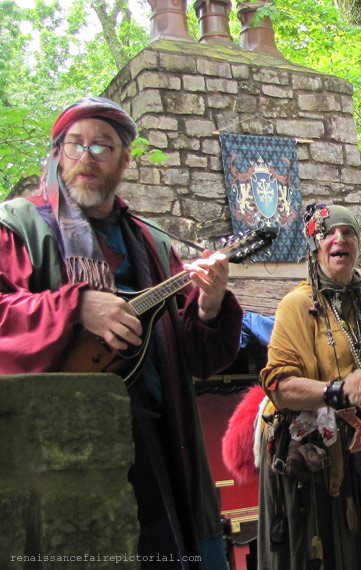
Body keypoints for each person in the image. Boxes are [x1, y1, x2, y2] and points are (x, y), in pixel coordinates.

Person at [0, 97, 243, 568]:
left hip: (165, 449)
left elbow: (198, 357)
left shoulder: (153, 243)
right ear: (57, 153)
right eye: (76, 145)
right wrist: (75, 306)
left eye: (103, 147)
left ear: (125, 161)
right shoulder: (18, 226)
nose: (87, 157)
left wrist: (211, 305)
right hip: (66, 453)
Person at [257, 203, 361, 570]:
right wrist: (339, 392)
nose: (339, 239)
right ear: (315, 246)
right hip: (319, 470)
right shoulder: (297, 305)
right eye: (329, 233)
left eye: (348, 233)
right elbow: (280, 387)